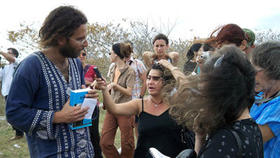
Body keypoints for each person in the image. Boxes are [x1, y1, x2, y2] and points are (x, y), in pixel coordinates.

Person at [6, 6, 98, 158]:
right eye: (79, 39)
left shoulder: (75, 63)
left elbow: (76, 105)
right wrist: (58, 117)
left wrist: (88, 99)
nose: (86, 44)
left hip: (83, 152)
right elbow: (14, 113)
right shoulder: (31, 66)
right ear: (60, 39)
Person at [167, 45, 263, 157]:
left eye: (207, 92)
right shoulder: (252, 128)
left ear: (219, 92)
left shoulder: (224, 141)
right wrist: (200, 137)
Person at [96, 63, 194, 158]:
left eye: (155, 78)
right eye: (148, 78)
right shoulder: (139, 104)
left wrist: (170, 67)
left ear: (166, 82)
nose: (150, 82)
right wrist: (104, 90)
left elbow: (186, 86)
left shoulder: (174, 102)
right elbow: (114, 108)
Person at [100, 42, 136, 158]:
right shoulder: (112, 68)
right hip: (112, 108)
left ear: (116, 54)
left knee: (127, 144)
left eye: (110, 52)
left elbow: (129, 92)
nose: (109, 55)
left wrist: (115, 86)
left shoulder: (130, 71)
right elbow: (111, 87)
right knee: (105, 142)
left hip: (125, 109)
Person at [250, 41, 280, 158]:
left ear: (274, 70)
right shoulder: (260, 96)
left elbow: (251, 140)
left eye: (255, 71)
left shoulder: (278, 108)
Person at [78, 49, 103, 158]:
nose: (81, 56)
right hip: (77, 105)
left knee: (94, 134)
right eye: (79, 53)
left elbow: (101, 84)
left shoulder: (92, 69)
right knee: (80, 135)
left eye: (83, 54)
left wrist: (93, 83)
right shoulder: (71, 69)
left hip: (91, 105)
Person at [0, 48, 23, 140]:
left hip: (15, 92)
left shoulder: (17, 63)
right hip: (6, 93)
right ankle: (19, 133)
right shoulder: (5, 67)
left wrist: (1, 51)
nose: (6, 54)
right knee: (10, 114)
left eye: (9, 53)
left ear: (14, 55)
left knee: (14, 113)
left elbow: (12, 59)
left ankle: (19, 133)